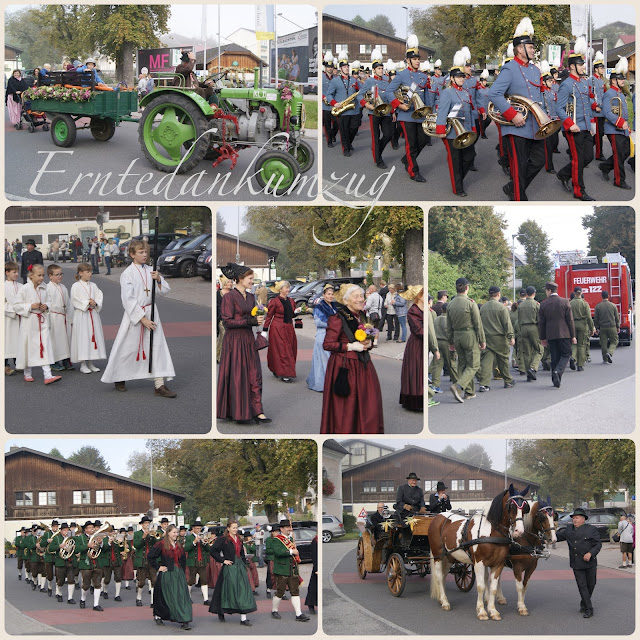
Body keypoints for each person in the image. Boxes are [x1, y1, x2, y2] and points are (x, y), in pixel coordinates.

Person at [101, 240, 176, 397]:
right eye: (141, 252)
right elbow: (127, 299)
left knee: (157, 346)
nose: (144, 255)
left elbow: (164, 291)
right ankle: (118, 376)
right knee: (127, 348)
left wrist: (159, 279)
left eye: (146, 252)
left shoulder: (151, 270)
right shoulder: (127, 274)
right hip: (135, 316)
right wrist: (142, 319)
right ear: (132, 254)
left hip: (152, 312)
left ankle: (159, 385)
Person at [488, 17, 546, 201]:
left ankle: (512, 187)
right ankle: (518, 198)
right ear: (520, 49)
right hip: (516, 127)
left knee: (539, 161)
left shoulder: (536, 70)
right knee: (519, 166)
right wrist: (512, 115)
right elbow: (494, 94)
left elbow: (539, 97)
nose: (533, 49)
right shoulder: (509, 69)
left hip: (535, 126)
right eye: (530, 47)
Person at [320, 284, 384, 434]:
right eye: (356, 297)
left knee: (369, 402)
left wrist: (369, 343)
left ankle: (365, 430)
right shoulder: (338, 317)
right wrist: (350, 346)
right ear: (346, 300)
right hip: (345, 366)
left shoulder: (362, 316)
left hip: (363, 364)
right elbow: (328, 344)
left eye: (361, 296)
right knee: (347, 406)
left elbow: (366, 339)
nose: (360, 299)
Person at [217, 262, 272, 424]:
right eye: (250, 278)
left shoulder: (251, 297)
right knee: (237, 377)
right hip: (234, 341)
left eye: (252, 278)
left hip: (248, 339)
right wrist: (251, 321)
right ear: (240, 279)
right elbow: (227, 322)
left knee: (254, 375)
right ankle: (238, 411)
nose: (252, 281)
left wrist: (257, 319)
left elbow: (250, 318)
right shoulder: (229, 297)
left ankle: (258, 411)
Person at [387, 35, 433, 182]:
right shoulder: (401, 75)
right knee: (411, 143)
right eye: (414, 59)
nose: (418, 61)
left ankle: (407, 159)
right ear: (408, 60)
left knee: (424, 139)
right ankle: (413, 171)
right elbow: (389, 91)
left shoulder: (423, 76)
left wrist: (429, 112)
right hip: (406, 115)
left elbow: (426, 95)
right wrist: (399, 105)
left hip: (420, 114)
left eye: (419, 59)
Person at [556, 38, 595, 201]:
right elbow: (559, 108)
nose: (583, 67)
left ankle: (563, 174)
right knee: (578, 160)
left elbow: (588, 105)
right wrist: (570, 125)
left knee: (588, 157)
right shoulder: (566, 85)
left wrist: (592, 123)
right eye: (580, 65)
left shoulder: (584, 83)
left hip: (585, 126)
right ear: (572, 66)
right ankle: (579, 191)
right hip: (574, 128)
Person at [436, 50, 476, 197]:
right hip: (452, 132)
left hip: (465, 131)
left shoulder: (465, 92)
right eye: (459, 77)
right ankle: (457, 187)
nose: (462, 79)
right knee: (455, 161)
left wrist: (472, 129)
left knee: (470, 156)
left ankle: (458, 179)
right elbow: (442, 112)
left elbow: (470, 112)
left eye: (463, 76)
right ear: (452, 78)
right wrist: (440, 130)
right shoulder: (447, 92)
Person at [15, 264, 62, 385]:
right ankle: (27, 373)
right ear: (31, 275)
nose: (41, 278)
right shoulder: (24, 288)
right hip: (29, 322)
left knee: (44, 346)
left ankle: (48, 375)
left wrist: (46, 305)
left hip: (42, 321)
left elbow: (49, 301)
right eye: (39, 275)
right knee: (28, 347)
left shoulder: (44, 288)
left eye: (42, 275)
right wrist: (30, 306)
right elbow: (16, 306)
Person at [209, 520, 257, 626]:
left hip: (239, 566)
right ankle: (221, 611)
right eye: (233, 527)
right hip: (229, 568)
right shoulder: (223, 539)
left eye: (236, 527)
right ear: (228, 528)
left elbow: (241, 553)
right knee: (227, 590)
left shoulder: (239, 539)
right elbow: (213, 551)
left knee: (243, 590)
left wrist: (245, 564)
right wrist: (223, 560)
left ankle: (243, 618)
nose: (235, 529)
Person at [555, 508, 601, 618]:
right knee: (582, 586)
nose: (574, 520)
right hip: (577, 563)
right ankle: (589, 609)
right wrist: (544, 536)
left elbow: (598, 544)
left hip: (590, 562)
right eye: (573, 518)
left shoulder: (591, 530)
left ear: (583, 519)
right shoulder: (569, 529)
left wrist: (590, 553)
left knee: (591, 584)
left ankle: (583, 603)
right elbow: (557, 537)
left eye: (577, 518)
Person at [446, 277, 485, 402]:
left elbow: (448, 326)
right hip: (469, 335)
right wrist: (482, 340)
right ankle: (458, 386)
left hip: (456, 336)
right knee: (474, 364)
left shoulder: (450, 304)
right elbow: (478, 324)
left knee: (463, 364)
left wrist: (450, 341)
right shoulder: (470, 303)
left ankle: (469, 392)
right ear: (467, 287)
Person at [147, 524, 192, 630]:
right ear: (168, 533)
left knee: (181, 596)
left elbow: (183, 561)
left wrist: (183, 573)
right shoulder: (161, 544)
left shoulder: (179, 545)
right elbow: (150, 556)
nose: (176, 534)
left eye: (177, 532)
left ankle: (184, 619)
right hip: (167, 574)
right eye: (174, 532)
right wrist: (158, 567)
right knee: (165, 596)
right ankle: (158, 615)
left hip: (178, 574)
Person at [600, 57, 632, 190]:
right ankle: (619, 180)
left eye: (623, 78)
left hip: (622, 128)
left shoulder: (620, 94)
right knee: (619, 156)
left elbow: (623, 111)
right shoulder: (609, 93)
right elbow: (607, 112)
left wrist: (626, 125)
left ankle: (605, 166)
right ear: (614, 80)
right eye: (620, 79)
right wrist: (620, 122)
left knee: (626, 152)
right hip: (613, 129)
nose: (623, 81)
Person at [358, 48, 394, 169]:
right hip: (373, 113)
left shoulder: (386, 81)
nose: (381, 70)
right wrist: (366, 105)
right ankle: (378, 160)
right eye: (379, 68)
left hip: (386, 112)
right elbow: (359, 95)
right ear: (374, 70)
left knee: (388, 134)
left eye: (382, 68)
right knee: (376, 137)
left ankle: (377, 149)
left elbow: (389, 96)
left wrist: (393, 111)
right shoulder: (369, 81)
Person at [477, 285, 515, 392]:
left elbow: (479, 324)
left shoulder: (483, 307)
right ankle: (508, 381)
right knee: (503, 360)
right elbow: (507, 324)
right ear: (498, 294)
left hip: (487, 338)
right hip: (500, 339)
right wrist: (511, 336)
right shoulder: (501, 307)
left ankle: (483, 384)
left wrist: (480, 339)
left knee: (486, 362)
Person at [538, 281, 576, 388]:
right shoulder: (565, 302)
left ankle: (555, 380)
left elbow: (541, 323)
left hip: (550, 334)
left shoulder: (543, 304)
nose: (546, 292)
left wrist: (542, 337)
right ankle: (558, 372)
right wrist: (573, 336)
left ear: (549, 290)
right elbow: (570, 320)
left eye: (546, 290)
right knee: (566, 354)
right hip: (564, 333)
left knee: (554, 356)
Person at [70, 263, 106, 374]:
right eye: (87, 272)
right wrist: (87, 302)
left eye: (90, 271)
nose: (90, 274)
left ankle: (90, 362)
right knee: (83, 337)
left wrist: (95, 302)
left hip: (93, 314)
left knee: (92, 337)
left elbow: (99, 296)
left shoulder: (93, 285)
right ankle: (83, 364)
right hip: (82, 315)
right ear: (80, 273)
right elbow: (75, 300)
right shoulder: (75, 286)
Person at [270, 519, 309, 622]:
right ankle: (274, 610)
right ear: (281, 529)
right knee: (280, 591)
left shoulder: (291, 539)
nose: (289, 529)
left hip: (293, 570)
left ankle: (298, 614)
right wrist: (292, 551)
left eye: (289, 527)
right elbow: (278, 552)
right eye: (287, 527)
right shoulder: (276, 540)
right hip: (282, 569)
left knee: (295, 591)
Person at [263, 281, 300, 383]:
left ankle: (279, 369)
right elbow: (269, 316)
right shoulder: (274, 301)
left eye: (288, 288)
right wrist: (265, 330)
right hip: (277, 328)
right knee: (282, 350)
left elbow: (291, 315)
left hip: (289, 328)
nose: (288, 290)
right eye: (285, 288)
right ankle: (285, 373)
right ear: (280, 289)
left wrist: (296, 313)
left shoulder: (292, 301)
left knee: (291, 348)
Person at [326, 51, 361, 157]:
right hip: (342, 110)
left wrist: (358, 88)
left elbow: (361, 92)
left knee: (354, 128)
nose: (346, 68)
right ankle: (346, 148)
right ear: (340, 69)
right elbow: (329, 95)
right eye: (344, 66)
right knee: (344, 131)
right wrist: (334, 103)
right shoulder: (335, 81)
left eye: (347, 66)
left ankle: (349, 142)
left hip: (354, 109)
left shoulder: (355, 80)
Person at [306, 283, 337, 391]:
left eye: (332, 294)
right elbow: (318, 322)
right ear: (323, 295)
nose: (330, 296)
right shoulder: (320, 306)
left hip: (332, 335)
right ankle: (324, 384)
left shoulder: (334, 306)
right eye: (328, 294)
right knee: (325, 360)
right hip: (323, 334)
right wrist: (333, 325)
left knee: (329, 360)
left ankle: (323, 382)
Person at [399, 285, 424, 411]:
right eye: (424, 294)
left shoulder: (426, 308)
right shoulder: (413, 311)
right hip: (417, 344)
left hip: (424, 342)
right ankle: (416, 400)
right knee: (416, 370)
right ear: (419, 296)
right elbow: (418, 330)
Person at [46, 264, 73, 372]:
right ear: (50, 276)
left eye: (61, 274)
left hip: (63, 316)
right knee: (55, 340)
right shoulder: (48, 288)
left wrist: (71, 318)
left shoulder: (63, 287)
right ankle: (54, 361)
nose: (60, 276)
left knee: (66, 339)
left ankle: (66, 359)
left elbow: (69, 303)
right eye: (57, 275)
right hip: (54, 317)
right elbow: (47, 304)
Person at [73, 521, 104, 611]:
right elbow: (76, 549)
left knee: (97, 584)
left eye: (93, 527)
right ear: (85, 529)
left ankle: (96, 604)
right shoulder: (80, 538)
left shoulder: (98, 536)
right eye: (90, 527)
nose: (92, 529)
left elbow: (105, 548)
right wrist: (87, 545)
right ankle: (83, 599)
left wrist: (101, 543)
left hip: (97, 563)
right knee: (86, 585)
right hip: (86, 564)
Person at [430, 302, 458, 393]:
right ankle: (457, 383)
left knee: (437, 364)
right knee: (451, 364)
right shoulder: (450, 320)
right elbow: (452, 333)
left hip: (437, 342)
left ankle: (435, 384)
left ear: (442, 310)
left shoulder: (436, 319)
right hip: (447, 342)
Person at [518, 286, 542, 381]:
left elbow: (519, 319)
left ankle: (529, 374)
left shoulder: (521, 305)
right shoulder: (536, 304)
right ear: (534, 293)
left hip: (523, 327)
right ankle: (533, 367)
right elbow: (539, 319)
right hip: (533, 327)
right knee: (539, 349)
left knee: (527, 352)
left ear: (526, 294)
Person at [184, 518, 211, 605]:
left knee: (204, 580)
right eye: (197, 528)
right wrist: (194, 542)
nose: (198, 530)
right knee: (191, 580)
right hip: (192, 562)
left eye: (200, 528)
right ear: (193, 529)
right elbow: (186, 548)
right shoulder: (189, 537)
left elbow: (208, 549)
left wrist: (205, 543)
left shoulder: (204, 536)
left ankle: (206, 599)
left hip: (202, 562)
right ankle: (188, 597)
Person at [569, 286, 595, 371]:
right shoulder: (585, 303)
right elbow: (589, 317)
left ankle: (573, 357)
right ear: (581, 293)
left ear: (574, 293)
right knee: (581, 345)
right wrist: (592, 328)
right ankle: (580, 365)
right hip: (583, 325)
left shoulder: (570, 303)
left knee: (573, 343)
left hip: (572, 324)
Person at [133, 516, 157, 607]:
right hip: (142, 560)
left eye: (148, 523)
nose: (147, 525)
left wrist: (153, 536)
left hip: (151, 560)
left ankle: (153, 601)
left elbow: (156, 544)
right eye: (145, 523)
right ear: (142, 524)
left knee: (154, 580)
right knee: (141, 581)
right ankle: (139, 598)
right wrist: (143, 537)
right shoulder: (137, 533)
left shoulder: (152, 533)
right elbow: (137, 545)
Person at [5, 261, 22, 376]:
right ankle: (5, 365)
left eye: (17, 272)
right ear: (7, 273)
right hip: (8, 319)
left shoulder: (22, 286)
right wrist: (15, 310)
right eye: (13, 272)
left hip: (21, 318)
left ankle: (19, 363)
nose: (16, 274)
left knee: (19, 341)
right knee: (7, 342)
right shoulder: (3, 286)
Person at [594, 290, 620, 364]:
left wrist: (596, 328)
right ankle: (610, 353)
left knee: (603, 343)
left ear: (601, 296)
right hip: (612, 327)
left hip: (603, 327)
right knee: (614, 341)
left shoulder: (598, 306)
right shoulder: (613, 305)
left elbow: (596, 319)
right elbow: (616, 317)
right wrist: (618, 326)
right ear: (608, 296)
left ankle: (605, 359)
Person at [589, 51, 607, 161]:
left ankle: (585, 146)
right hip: (596, 110)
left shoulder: (601, 80)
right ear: (596, 69)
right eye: (601, 68)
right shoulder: (592, 79)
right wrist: (594, 105)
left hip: (602, 110)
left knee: (599, 133)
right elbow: (589, 95)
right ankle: (599, 154)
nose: (603, 69)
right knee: (598, 133)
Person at [304, 534, 318, 614]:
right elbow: (314, 555)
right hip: (317, 567)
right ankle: (311, 604)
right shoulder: (315, 541)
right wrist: (316, 568)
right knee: (313, 587)